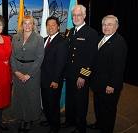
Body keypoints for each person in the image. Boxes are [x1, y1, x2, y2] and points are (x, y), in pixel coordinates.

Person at [87, 15, 128, 133]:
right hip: (98, 83)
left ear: (116, 27)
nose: (106, 27)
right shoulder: (100, 38)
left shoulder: (119, 42)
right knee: (99, 107)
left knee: (108, 110)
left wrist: (112, 85)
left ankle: (107, 130)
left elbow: (119, 68)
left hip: (109, 85)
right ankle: (99, 124)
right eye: (104, 24)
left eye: (109, 25)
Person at [62, 5, 98, 133]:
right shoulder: (71, 31)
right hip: (70, 74)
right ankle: (70, 121)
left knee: (81, 102)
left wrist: (83, 76)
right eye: (74, 15)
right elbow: (69, 54)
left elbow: (91, 58)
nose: (76, 17)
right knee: (70, 100)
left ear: (84, 16)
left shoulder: (91, 33)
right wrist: (65, 72)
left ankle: (81, 126)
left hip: (80, 75)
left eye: (79, 15)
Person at [10, 15, 44, 133]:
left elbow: (40, 58)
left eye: (30, 23)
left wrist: (29, 74)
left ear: (33, 25)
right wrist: (16, 71)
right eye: (25, 23)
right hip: (18, 71)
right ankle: (22, 119)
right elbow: (12, 55)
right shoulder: (16, 38)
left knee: (31, 97)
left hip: (32, 72)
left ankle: (29, 121)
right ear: (22, 25)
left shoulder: (39, 38)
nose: (27, 25)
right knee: (20, 97)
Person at [39, 16, 69, 133]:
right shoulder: (44, 39)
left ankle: (55, 126)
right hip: (43, 78)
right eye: (48, 25)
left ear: (58, 27)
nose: (50, 27)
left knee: (53, 104)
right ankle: (50, 120)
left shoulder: (62, 41)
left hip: (53, 80)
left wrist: (56, 80)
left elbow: (61, 64)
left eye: (53, 25)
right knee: (46, 103)